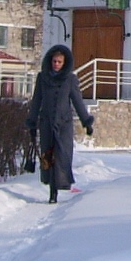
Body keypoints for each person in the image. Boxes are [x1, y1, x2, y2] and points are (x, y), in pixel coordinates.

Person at [26, 44, 94, 203]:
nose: (56, 64)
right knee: (48, 157)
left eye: (59, 62)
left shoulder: (70, 79)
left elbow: (77, 101)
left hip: (64, 124)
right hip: (46, 123)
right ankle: (52, 191)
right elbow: (36, 101)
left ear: (65, 63)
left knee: (62, 156)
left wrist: (86, 122)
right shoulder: (42, 78)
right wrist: (32, 122)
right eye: (54, 61)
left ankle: (59, 186)